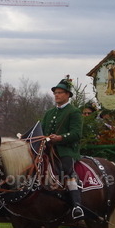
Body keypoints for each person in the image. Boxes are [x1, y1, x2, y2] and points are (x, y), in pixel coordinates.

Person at [41, 76, 84, 220]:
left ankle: (77, 205)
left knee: (68, 170)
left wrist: (60, 138)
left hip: (66, 150)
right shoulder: (49, 113)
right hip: (47, 149)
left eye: (60, 92)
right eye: (55, 93)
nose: (56, 95)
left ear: (67, 95)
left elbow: (77, 134)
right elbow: (41, 131)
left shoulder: (74, 112)